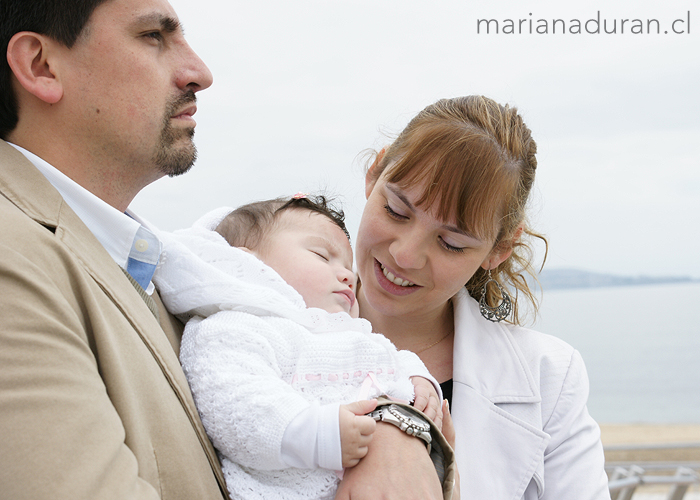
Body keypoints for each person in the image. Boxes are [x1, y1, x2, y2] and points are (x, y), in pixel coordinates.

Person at [0, 0, 228, 498]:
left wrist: (397, 426)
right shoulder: (11, 261)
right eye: (153, 36)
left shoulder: (155, 266)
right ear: (40, 66)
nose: (199, 73)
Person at [336, 95, 611, 500]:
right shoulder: (261, 319)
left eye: (450, 243)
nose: (405, 255)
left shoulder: (550, 378)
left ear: (499, 249)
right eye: (396, 210)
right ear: (374, 174)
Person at [152, 194, 446, 500]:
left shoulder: (347, 336)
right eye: (322, 255)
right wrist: (317, 435)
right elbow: (233, 405)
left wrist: (419, 381)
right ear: (246, 262)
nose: (348, 275)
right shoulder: (235, 327)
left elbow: (391, 358)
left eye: (348, 265)